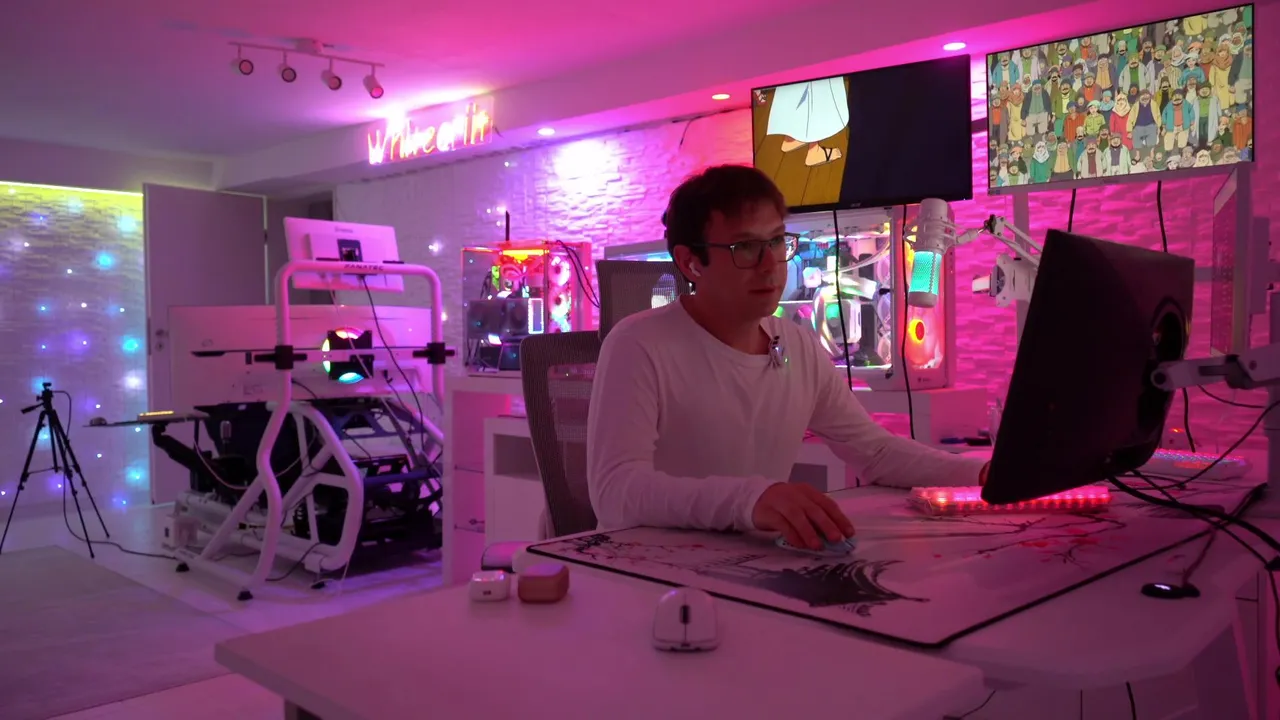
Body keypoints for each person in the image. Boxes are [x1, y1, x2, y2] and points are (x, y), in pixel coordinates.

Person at [586, 165, 989, 551]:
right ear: (691, 263)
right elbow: (616, 493)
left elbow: (876, 453)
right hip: (643, 571)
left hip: (749, 563)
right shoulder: (639, 344)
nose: (771, 266)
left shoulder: (797, 345)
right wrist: (750, 500)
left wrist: (982, 472)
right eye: (745, 247)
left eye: (777, 241)